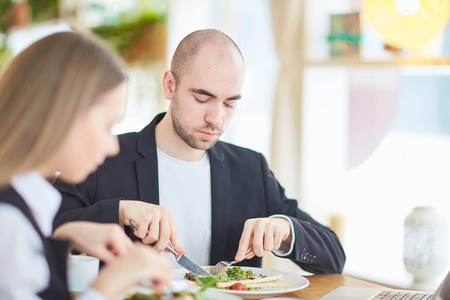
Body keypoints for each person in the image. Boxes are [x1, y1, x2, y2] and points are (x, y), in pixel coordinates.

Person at [54, 29, 346, 274]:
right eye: (202, 98)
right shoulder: (103, 157)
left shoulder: (250, 168)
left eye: (230, 103)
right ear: (170, 85)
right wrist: (118, 211)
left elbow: (335, 256)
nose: (216, 119)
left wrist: (286, 230)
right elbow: (37, 234)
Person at [0, 31, 172, 300]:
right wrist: (110, 283)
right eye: (106, 126)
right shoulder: (8, 222)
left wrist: (64, 239)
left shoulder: (26, 204)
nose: (113, 146)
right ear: (61, 114)